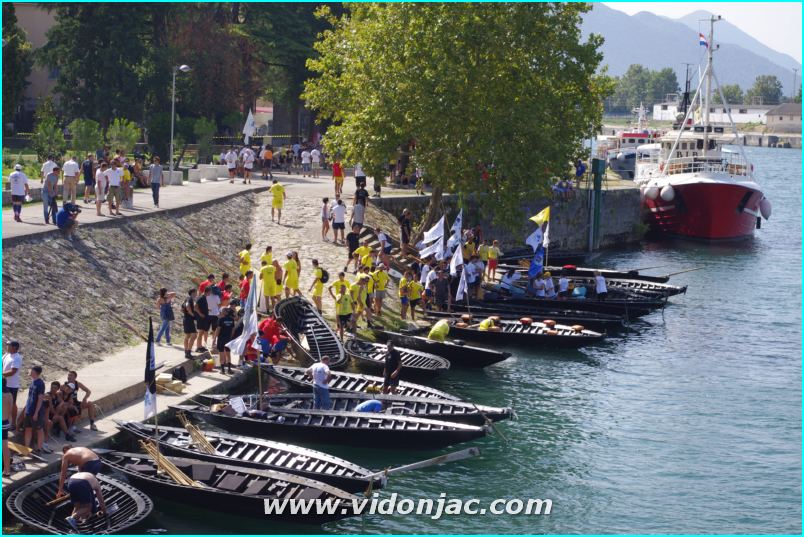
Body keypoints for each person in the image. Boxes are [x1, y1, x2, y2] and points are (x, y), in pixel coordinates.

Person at [23, 365, 48, 454]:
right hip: (29, 410)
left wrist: (36, 413)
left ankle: (39, 449)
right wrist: (26, 409)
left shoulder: (40, 383)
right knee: (28, 429)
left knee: (39, 430)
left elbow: (40, 398)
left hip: (36, 412)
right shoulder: (33, 382)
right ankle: (26, 449)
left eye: (31, 371)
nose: (30, 372)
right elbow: (29, 397)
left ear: (35, 372)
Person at [2, 341, 22, 431]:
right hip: (4, 382)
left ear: (14, 347)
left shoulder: (17, 357)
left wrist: (1, 374)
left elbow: (13, 371)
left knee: (12, 404)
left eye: (8, 345)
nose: (6, 346)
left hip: (12, 385)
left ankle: (13, 423)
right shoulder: (6, 355)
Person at [215, 307, 236, 374]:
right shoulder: (232, 320)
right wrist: (231, 337)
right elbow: (233, 330)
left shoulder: (221, 319)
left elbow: (218, 329)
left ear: (223, 312)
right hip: (228, 339)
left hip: (221, 338)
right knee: (228, 353)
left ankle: (222, 370)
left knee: (221, 353)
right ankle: (229, 369)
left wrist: (214, 338)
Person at [194, 287, 212, 352]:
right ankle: (198, 347)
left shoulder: (204, 298)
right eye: (210, 292)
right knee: (200, 332)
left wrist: (207, 309)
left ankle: (200, 346)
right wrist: (200, 314)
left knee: (202, 332)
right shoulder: (201, 298)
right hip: (201, 318)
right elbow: (195, 307)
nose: (210, 293)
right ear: (207, 291)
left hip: (204, 318)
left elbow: (201, 307)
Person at [182, 289, 198, 359]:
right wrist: (192, 314)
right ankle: (188, 352)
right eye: (196, 292)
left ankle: (186, 352)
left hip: (186, 319)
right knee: (194, 335)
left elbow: (182, 309)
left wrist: (187, 313)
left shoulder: (186, 299)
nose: (197, 293)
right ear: (193, 293)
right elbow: (187, 306)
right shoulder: (189, 299)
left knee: (188, 335)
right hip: (189, 320)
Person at [3, 379, 12, 477]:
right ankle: (7, 471)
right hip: (5, 423)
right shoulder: (9, 395)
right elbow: (10, 410)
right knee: (5, 448)